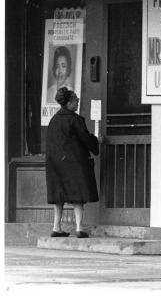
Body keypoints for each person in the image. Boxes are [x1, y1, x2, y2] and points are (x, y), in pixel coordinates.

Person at [46, 87, 99, 238]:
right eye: (76, 100)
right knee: (78, 195)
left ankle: (56, 227)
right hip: (74, 163)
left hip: (55, 164)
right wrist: (96, 141)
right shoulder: (74, 119)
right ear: (68, 103)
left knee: (58, 196)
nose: (77, 102)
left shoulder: (54, 120)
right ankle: (79, 228)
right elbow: (85, 138)